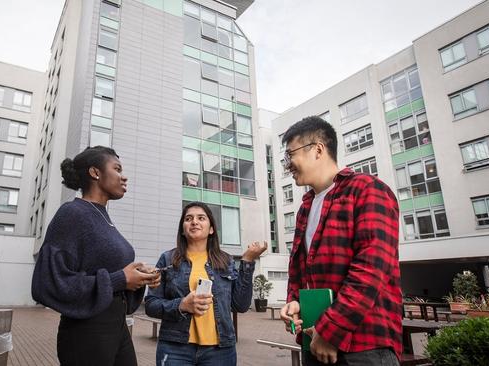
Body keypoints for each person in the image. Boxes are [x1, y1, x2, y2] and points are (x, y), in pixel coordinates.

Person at [279, 116, 402, 365]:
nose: (287, 165)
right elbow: (300, 271)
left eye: (290, 155)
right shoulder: (305, 208)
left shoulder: (367, 190)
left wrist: (330, 331)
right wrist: (294, 301)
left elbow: (370, 272)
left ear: (318, 149)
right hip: (315, 341)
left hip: (364, 348)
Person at [31, 146, 160, 366]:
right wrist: (121, 278)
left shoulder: (103, 218)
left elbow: (112, 275)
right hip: (86, 332)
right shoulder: (72, 214)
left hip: (117, 326)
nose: (124, 176)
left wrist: (139, 278)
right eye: (117, 169)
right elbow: (48, 282)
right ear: (95, 173)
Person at [145, 201, 267, 366]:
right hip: (175, 348)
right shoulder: (167, 259)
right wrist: (181, 305)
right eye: (188, 219)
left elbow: (241, 305)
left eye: (201, 218)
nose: (194, 221)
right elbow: (151, 305)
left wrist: (247, 261)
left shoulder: (226, 261)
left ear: (211, 229)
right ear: (182, 229)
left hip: (220, 350)